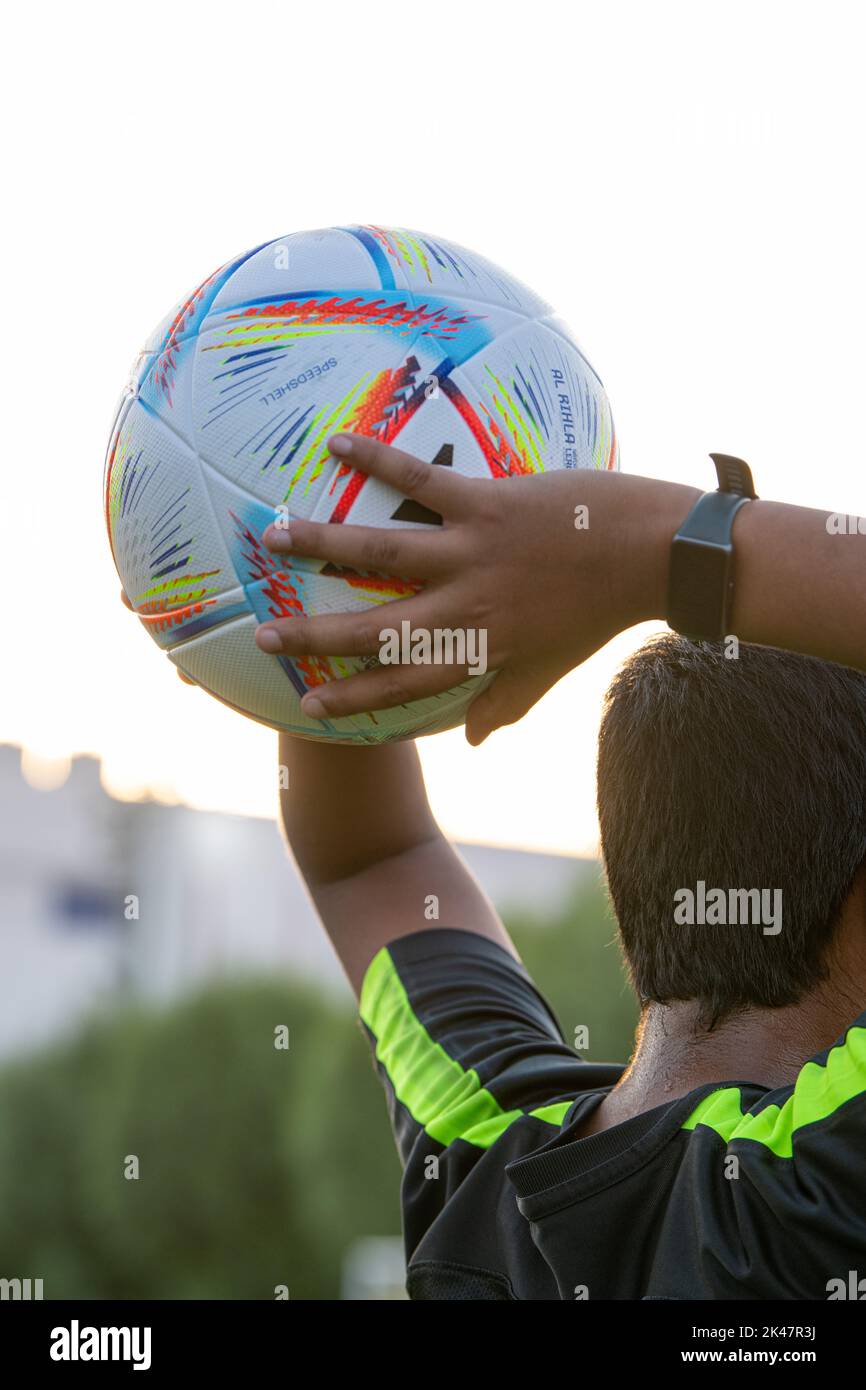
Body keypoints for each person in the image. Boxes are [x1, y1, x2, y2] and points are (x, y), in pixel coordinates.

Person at [138, 435, 866, 1298]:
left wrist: (298, 591)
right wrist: (644, 545)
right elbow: (368, 862)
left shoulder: (487, 1153)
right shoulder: (822, 1183)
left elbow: (374, 860)